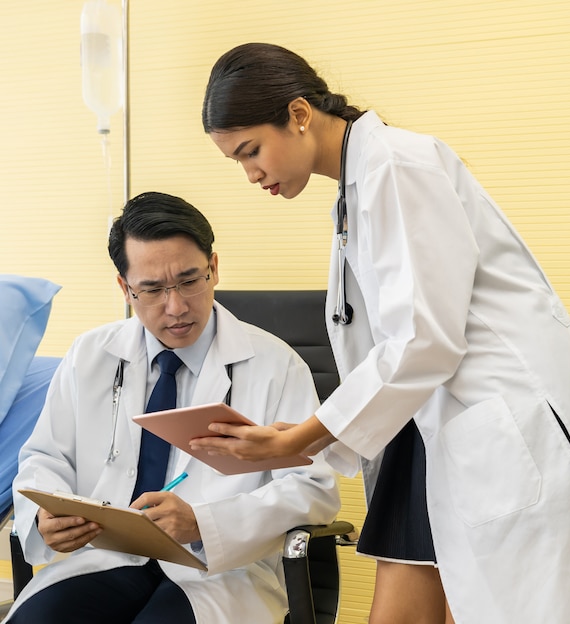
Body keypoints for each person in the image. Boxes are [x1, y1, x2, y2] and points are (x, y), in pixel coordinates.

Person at [197, 43, 570, 624]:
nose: (251, 174)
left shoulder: (397, 166)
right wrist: (308, 434)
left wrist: (303, 439)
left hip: (504, 420)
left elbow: (424, 339)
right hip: (440, 424)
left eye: (251, 151)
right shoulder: (360, 185)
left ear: (298, 114)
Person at [7, 191, 340, 624]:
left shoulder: (276, 364)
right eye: (152, 290)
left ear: (214, 268)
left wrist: (204, 522)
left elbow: (312, 489)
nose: (176, 306)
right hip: (106, 558)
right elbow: (44, 458)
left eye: (189, 280)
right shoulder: (89, 355)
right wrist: (42, 518)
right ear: (125, 289)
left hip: (219, 570)